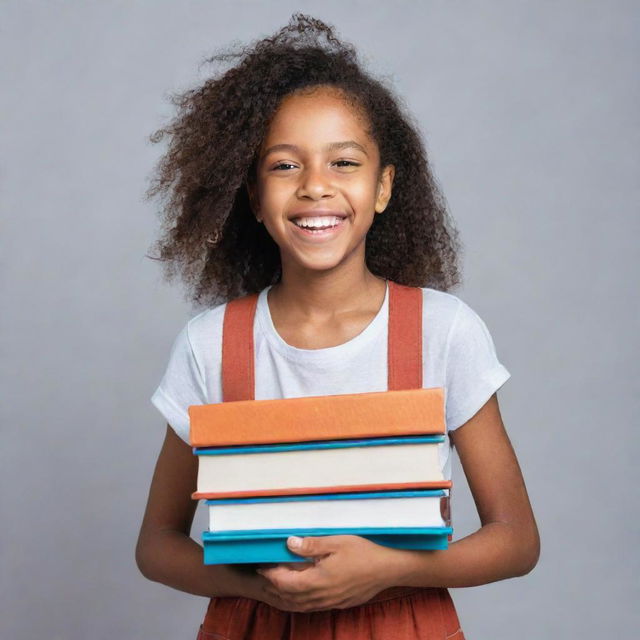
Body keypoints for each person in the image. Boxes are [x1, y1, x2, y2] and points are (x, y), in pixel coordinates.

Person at [136, 13, 540, 639]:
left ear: (383, 188)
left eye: (344, 163)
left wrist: (389, 569)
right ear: (252, 195)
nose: (316, 187)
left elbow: (516, 540)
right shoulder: (211, 345)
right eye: (284, 166)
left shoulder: (443, 331)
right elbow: (157, 545)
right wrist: (256, 584)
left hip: (405, 623)